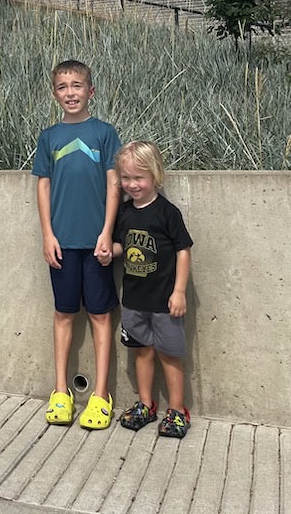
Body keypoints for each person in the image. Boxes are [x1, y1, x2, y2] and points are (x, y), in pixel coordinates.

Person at [33, 59, 121, 429]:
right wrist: (48, 234)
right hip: (63, 244)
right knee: (64, 314)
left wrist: (107, 233)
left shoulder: (105, 133)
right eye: (62, 87)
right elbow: (42, 185)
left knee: (101, 316)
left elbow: (115, 184)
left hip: (97, 244)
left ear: (91, 91)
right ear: (55, 93)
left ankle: (100, 395)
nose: (70, 92)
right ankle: (60, 391)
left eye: (77, 86)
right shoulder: (49, 137)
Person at [112, 140, 193, 439]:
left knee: (169, 355)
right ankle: (146, 403)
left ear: (155, 174)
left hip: (164, 301)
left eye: (139, 178)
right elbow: (124, 244)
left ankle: (177, 409)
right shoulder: (123, 212)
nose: (132, 184)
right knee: (142, 352)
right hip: (134, 300)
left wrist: (180, 291)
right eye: (126, 178)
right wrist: (112, 251)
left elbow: (183, 250)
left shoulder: (167, 213)